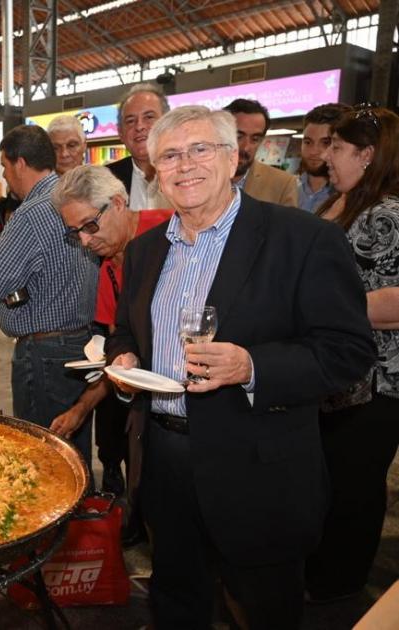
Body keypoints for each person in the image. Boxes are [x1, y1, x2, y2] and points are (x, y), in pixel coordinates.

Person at [105, 105, 375, 629]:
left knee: (264, 607)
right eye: (170, 156)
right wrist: (126, 358)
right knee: (177, 600)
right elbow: (125, 330)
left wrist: (251, 365)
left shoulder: (301, 238)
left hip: (258, 466)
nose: (186, 165)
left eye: (200, 149)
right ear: (156, 173)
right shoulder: (142, 252)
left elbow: (348, 350)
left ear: (232, 158)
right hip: (163, 456)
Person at [305, 105, 399, 603]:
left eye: (336, 148)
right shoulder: (335, 204)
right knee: (327, 480)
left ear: (366, 155)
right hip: (336, 378)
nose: (324, 157)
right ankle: (318, 569)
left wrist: (318, 306)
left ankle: (339, 585)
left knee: (353, 485)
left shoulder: (389, 214)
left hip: (378, 382)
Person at [0, 125, 99, 460]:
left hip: (45, 352)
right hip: (81, 343)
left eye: (4, 165)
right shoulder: (71, 196)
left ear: (20, 163)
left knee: (44, 454)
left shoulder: (33, 211)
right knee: (72, 446)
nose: (5, 175)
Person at [49, 166, 171, 503]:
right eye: (76, 233)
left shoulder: (172, 228)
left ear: (118, 202)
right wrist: (80, 409)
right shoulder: (108, 270)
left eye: (89, 226)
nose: (86, 241)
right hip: (150, 408)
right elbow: (118, 357)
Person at [223, 98, 299, 207]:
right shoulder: (199, 177)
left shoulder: (282, 184)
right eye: (238, 136)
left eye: (255, 139)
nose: (246, 147)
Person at [107, 83, 171, 210]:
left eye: (149, 117)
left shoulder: (187, 171)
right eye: (130, 121)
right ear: (120, 133)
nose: (139, 126)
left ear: (167, 123)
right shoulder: (107, 178)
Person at [298, 102, 351, 213]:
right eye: (308, 142)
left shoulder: (351, 197)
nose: (313, 152)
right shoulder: (286, 187)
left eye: (326, 143)